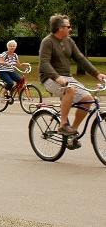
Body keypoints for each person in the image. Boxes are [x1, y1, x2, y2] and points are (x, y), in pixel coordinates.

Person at [39, 14, 106, 143]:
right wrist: (56, 77)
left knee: (88, 100)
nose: (70, 29)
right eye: (68, 26)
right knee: (70, 89)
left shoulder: (69, 41)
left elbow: (80, 58)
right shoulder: (47, 42)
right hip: (49, 78)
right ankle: (63, 125)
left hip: (66, 77)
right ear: (60, 28)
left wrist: (97, 74)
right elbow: (44, 63)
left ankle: (72, 132)